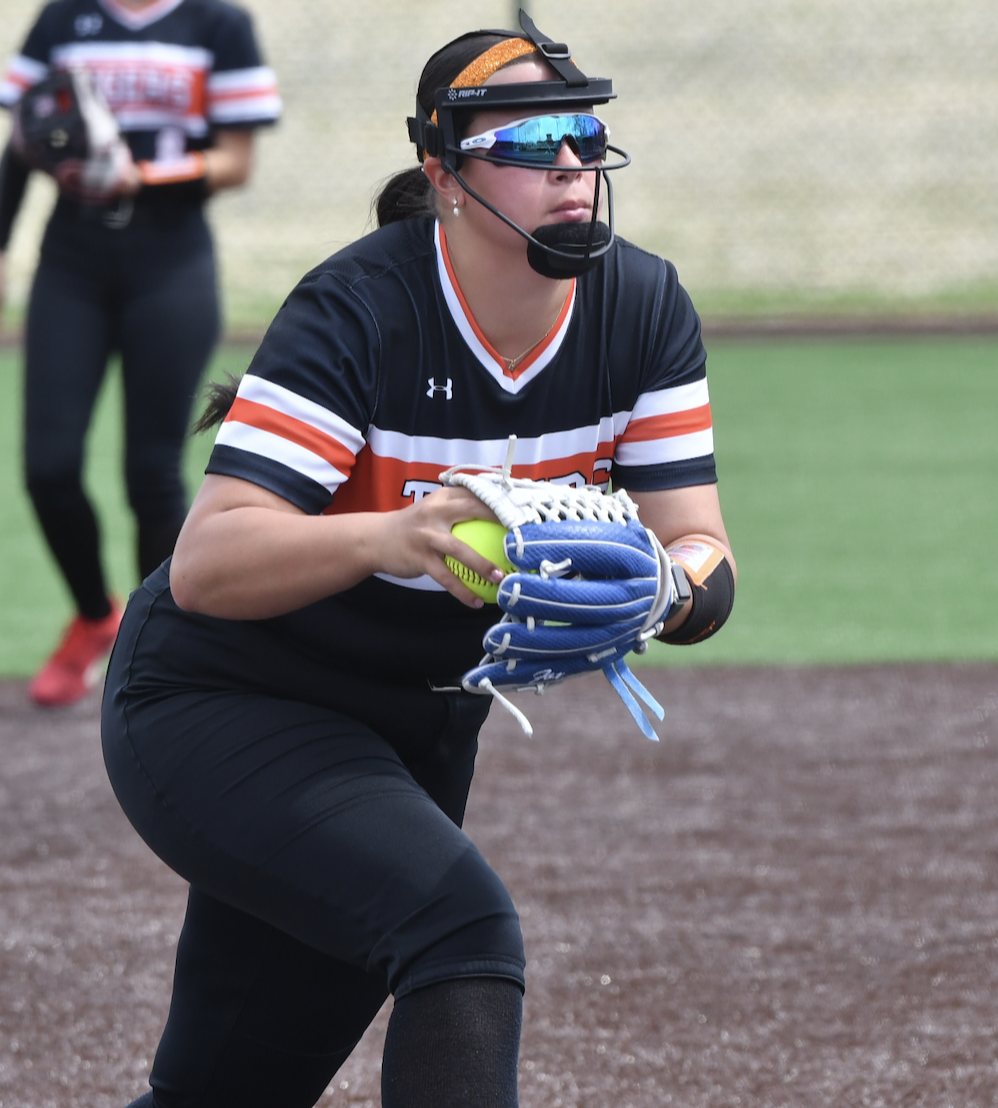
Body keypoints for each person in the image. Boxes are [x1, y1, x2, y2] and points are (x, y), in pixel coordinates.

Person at [100, 10, 737, 1107]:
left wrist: (667, 589)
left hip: (415, 729)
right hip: (222, 700)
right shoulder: (362, 307)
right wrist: (393, 535)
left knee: (227, 1093)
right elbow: (208, 562)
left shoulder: (640, 309)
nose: (571, 165)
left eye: (585, 136)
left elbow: (704, 548)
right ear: (442, 173)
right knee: (463, 933)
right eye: (528, 142)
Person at [0, 0, 281, 707]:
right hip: (73, 262)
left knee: (150, 474)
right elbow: (24, 140)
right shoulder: (64, 17)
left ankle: (163, 647)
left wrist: (140, 176)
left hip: (170, 262)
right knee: (48, 466)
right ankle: (94, 616)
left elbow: (237, 162)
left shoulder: (218, 23)